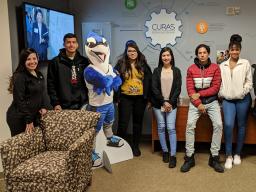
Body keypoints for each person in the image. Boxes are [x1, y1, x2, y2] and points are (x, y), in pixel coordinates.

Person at [180, 44, 224, 173]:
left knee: (218, 125)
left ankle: (214, 157)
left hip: (212, 102)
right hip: (195, 103)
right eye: (200, 53)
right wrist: (198, 103)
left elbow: (215, 88)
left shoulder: (216, 68)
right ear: (197, 54)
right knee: (189, 125)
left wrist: (200, 94)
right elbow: (190, 89)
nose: (202, 55)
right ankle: (189, 157)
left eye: (204, 52)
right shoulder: (191, 69)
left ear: (208, 53)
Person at [219, 34, 253, 169]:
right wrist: (223, 93)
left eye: (237, 49)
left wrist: (241, 92)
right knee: (228, 125)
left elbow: (249, 82)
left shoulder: (245, 63)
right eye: (232, 49)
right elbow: (219, 83)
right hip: (228, 101)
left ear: (240, 50)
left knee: (241, 125)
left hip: (243, 100)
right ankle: (228, 155)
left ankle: (237, 153)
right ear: (228, 50)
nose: (234, 52)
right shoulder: (222, 65)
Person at [115, 40, 152, 156]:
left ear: (137, 51)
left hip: (140, 99)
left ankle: (135, 146)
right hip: (125, 98)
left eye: (134, 51)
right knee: (123, 124)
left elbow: (149, 81)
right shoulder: (120, 64)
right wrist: (116, 98)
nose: (132, 53)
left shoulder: (143, 63)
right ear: (126, 52)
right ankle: (120, 147)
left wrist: (149, 99)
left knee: (137, 123)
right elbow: (114, 80)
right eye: (129, 51)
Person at [151, 47, 182, 168]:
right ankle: (165, 151)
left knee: (171, 128)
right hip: (158, 104)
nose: (166, 57)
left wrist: (170, 102)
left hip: (172, 104)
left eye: (168, 55)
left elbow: (178, 88)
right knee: (161, 127)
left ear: (171, 57)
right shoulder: (156, 71)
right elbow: (154, 88)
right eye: (163, 55)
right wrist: (163, 102)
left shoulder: (177, 71)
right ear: (161, 57)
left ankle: (173, 155)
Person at [7, 48, 48, 136]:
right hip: (19, 118)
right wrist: (29, 120)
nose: (32, 61)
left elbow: (40, 94)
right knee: (21, 146)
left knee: (33, 145)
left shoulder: (39, 75)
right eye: (28, 59)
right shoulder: (20, 76)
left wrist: (43, 106)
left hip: (31, 116)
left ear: (38, 59)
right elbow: (19, 100)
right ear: (23, 61)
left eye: (34, 58)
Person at [47, 33, 89, 110]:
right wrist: (55, 103)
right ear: (64, 44)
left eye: (73, 42)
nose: (71, 45)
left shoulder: (84, 61)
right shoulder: (55, 62)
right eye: (68, 42)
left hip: (83, 104)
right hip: (63, 105)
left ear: (77, 44)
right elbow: (51, 85)